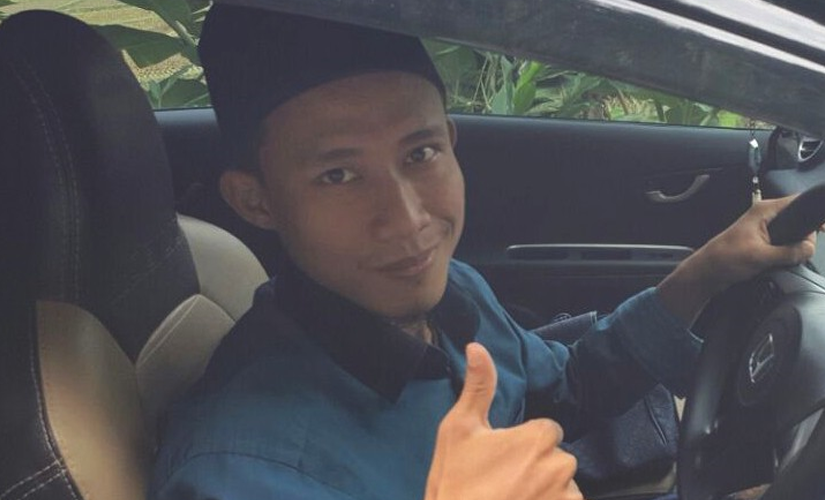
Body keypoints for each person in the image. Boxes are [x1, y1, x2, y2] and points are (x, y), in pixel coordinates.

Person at [149, 4, 818, 500]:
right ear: (256, 202)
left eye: (420, 153)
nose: (408, 219)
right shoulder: (244, 473)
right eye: (339, 174)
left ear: (451, 141)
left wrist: (706, 272)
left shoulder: (450, 292)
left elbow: (562, 392)